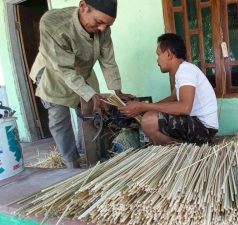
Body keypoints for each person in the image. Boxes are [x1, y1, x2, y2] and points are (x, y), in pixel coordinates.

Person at [29, 0, 131, 168]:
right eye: (99, 22)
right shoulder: (53, 23)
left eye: (108, 24)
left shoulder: (103, 27)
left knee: (91, 112)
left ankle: (90, 156)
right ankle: (72, 164)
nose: (103, 29)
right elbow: (63, 69)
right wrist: (90, 94)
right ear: (83, 7)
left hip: (83, 71)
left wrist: (117, 91)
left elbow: (108, 60)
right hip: (54, 71)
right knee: (59, 118)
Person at [119, 33, 218, 145]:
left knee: (148, 121)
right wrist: (144, 109)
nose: (157, 60)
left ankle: (180, 152)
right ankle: (180, 147)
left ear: (169, 54)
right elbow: (172, 99)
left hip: (204, 129)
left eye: (158, 54)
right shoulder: (183, 71)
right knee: (149, 115)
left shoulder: (186, 71)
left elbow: (185, 107)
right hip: (198, 125)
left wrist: (143, 106)